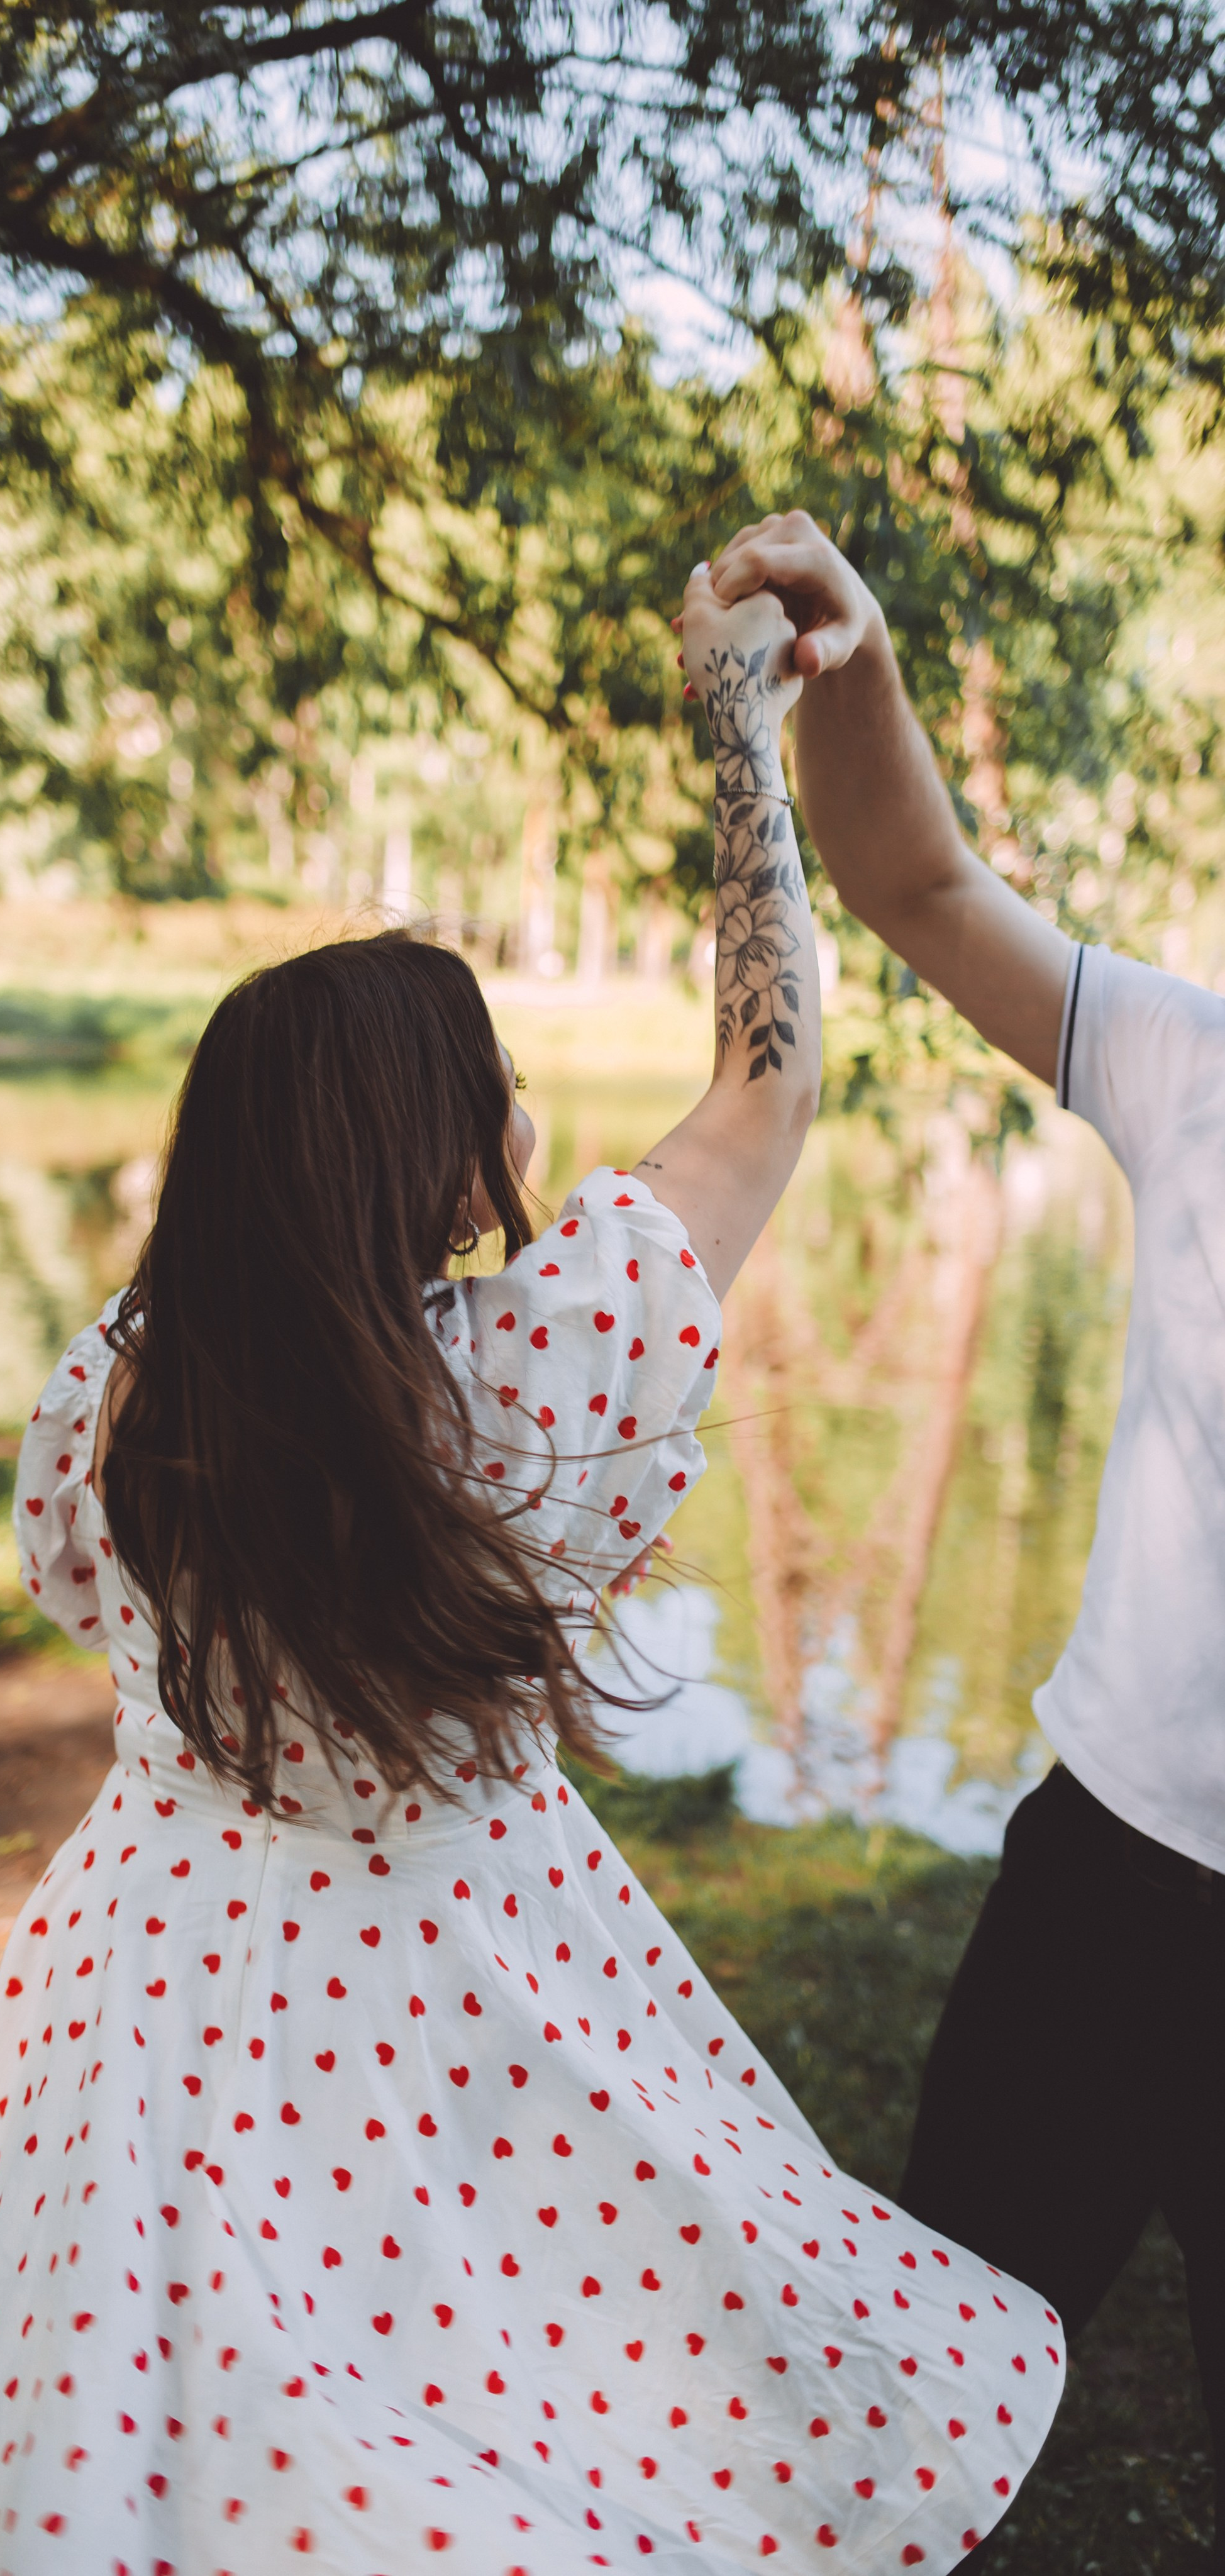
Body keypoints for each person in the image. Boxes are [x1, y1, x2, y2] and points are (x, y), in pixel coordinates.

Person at [0, 570, 1061, 2575]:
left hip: (157, 1972)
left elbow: (89, 1593)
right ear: (438, 1157)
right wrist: (733, 736)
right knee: (515, 2384)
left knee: (136, 2391)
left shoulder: (119, 1399)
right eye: (489, 1082)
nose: (523, 1113)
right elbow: (767, 1088)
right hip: (477, 1976)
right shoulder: (535, 1372)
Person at [699, 511, 1225, 2560]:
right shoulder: (1197, 1071)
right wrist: (870, 665)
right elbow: (914, 884)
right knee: (924, 2415)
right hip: (1105, 1886)